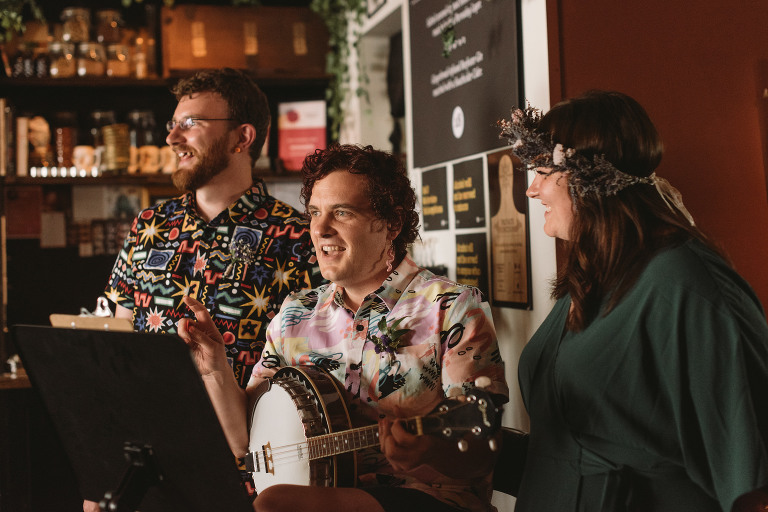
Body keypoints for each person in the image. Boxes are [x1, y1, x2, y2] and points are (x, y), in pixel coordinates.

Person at [178, 143, 509, 512]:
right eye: (315, 213)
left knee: (274, 504)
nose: (320, 229)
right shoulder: (295, 314)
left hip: (431, 500)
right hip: (321, 495)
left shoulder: (451, 307)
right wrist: (214, 367)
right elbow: (246, 443)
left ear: (391, 224)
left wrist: (429, 449)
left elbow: (481, 451)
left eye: (342, 213)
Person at [498, 90, 768, 511]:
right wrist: (468, 452)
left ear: (588, 178)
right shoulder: (588, 279)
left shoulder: (685, 285)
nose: (532, 190)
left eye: (544, 171)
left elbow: (750, 478)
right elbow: (570, 457)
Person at [104, 68, 321, 388]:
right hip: (148, 416)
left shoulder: (298, 237)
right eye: (173, 124)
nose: (172, 138)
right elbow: (121, 341)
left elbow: (312, 365)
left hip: (251, 421)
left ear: (242, 137)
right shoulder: (148, 225)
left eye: (191, 123)